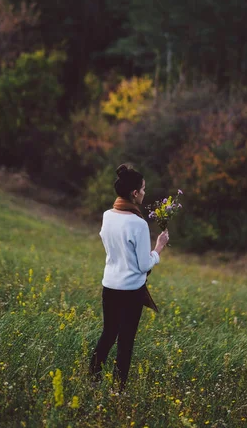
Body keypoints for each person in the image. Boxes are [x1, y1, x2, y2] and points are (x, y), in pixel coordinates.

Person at [89, 163, 169, 392]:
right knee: (125, 341)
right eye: (143, 189)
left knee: (108, 333)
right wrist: (159, 248)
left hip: (109, 286)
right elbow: (144, 264)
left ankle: (92, 379)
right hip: (131, 291)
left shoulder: (107, 215)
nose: (145, 193)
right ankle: (118, 390)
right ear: (134, 193)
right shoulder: (139, 224)